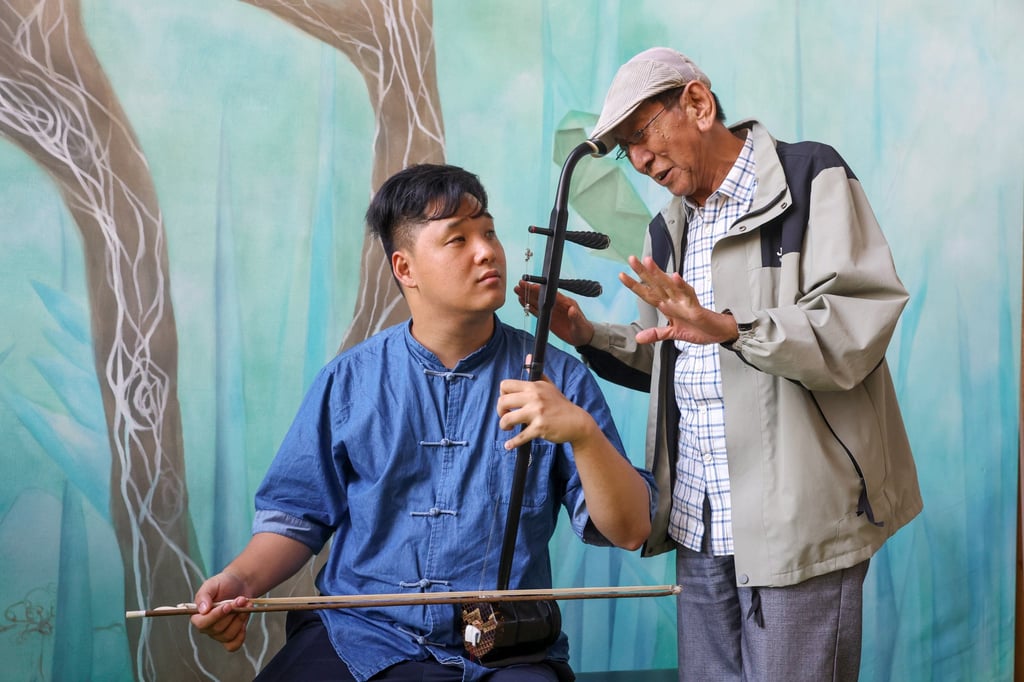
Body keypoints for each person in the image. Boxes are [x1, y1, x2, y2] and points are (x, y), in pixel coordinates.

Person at [516, 47, 922, 681]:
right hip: (699, 525)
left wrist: (730, 328)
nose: (641, 162)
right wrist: (588, 333)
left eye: (642, 134)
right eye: (627, 150)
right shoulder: (666, 231)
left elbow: (856, 323)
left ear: (698, 104)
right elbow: (679, 359)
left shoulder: (810, 178)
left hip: (798, 523)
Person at [190, 163, 655, 682]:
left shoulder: (557, 379)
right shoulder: (349, 381)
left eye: (489, 232)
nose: (487, 251)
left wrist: (582, 434)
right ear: (405, 268)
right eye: (457, 239)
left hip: (506, 651)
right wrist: (239, 580)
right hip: (359, 634)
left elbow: (632, 528)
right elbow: (295, 518)